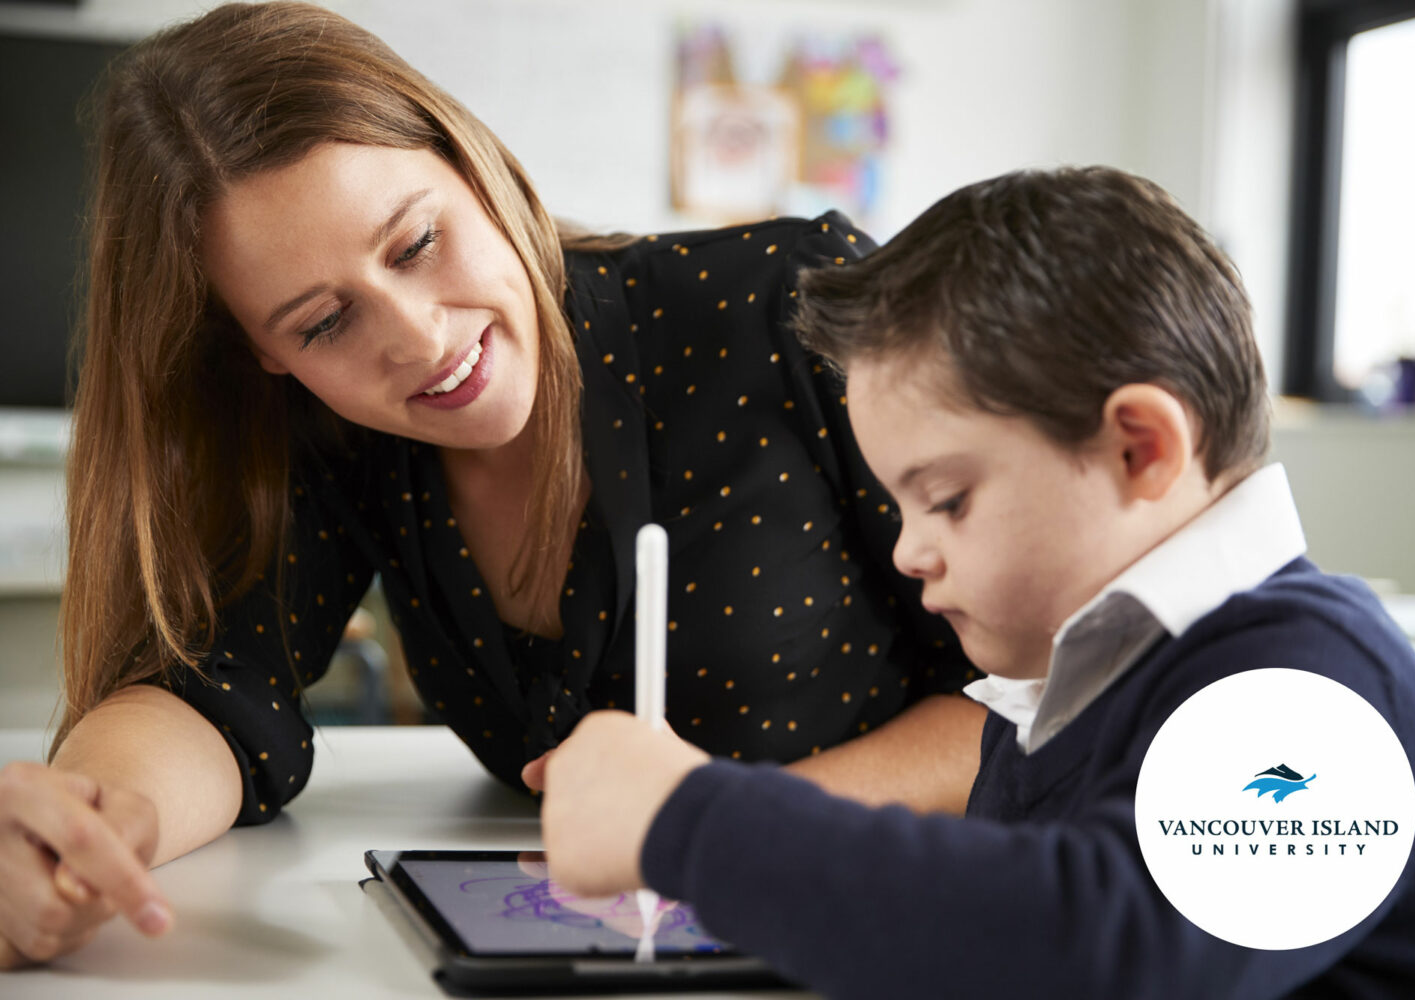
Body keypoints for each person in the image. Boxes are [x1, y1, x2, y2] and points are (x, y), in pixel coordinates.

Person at [0, 1, 986, 969]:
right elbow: (212, 691)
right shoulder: (337, 434)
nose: (421, 338)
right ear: (262, 355)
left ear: (471, 162)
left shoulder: (789, 303)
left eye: (417, 243)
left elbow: (1055, 695)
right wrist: (90, 829)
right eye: (320, 323)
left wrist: (724, 825)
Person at [538, 167, 1415, 997]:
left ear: (1140, 448)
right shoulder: (1062, 680)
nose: (909, 551)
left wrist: (690, 820)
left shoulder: (1324, 702)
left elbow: (1100, 952)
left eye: (946, 499)